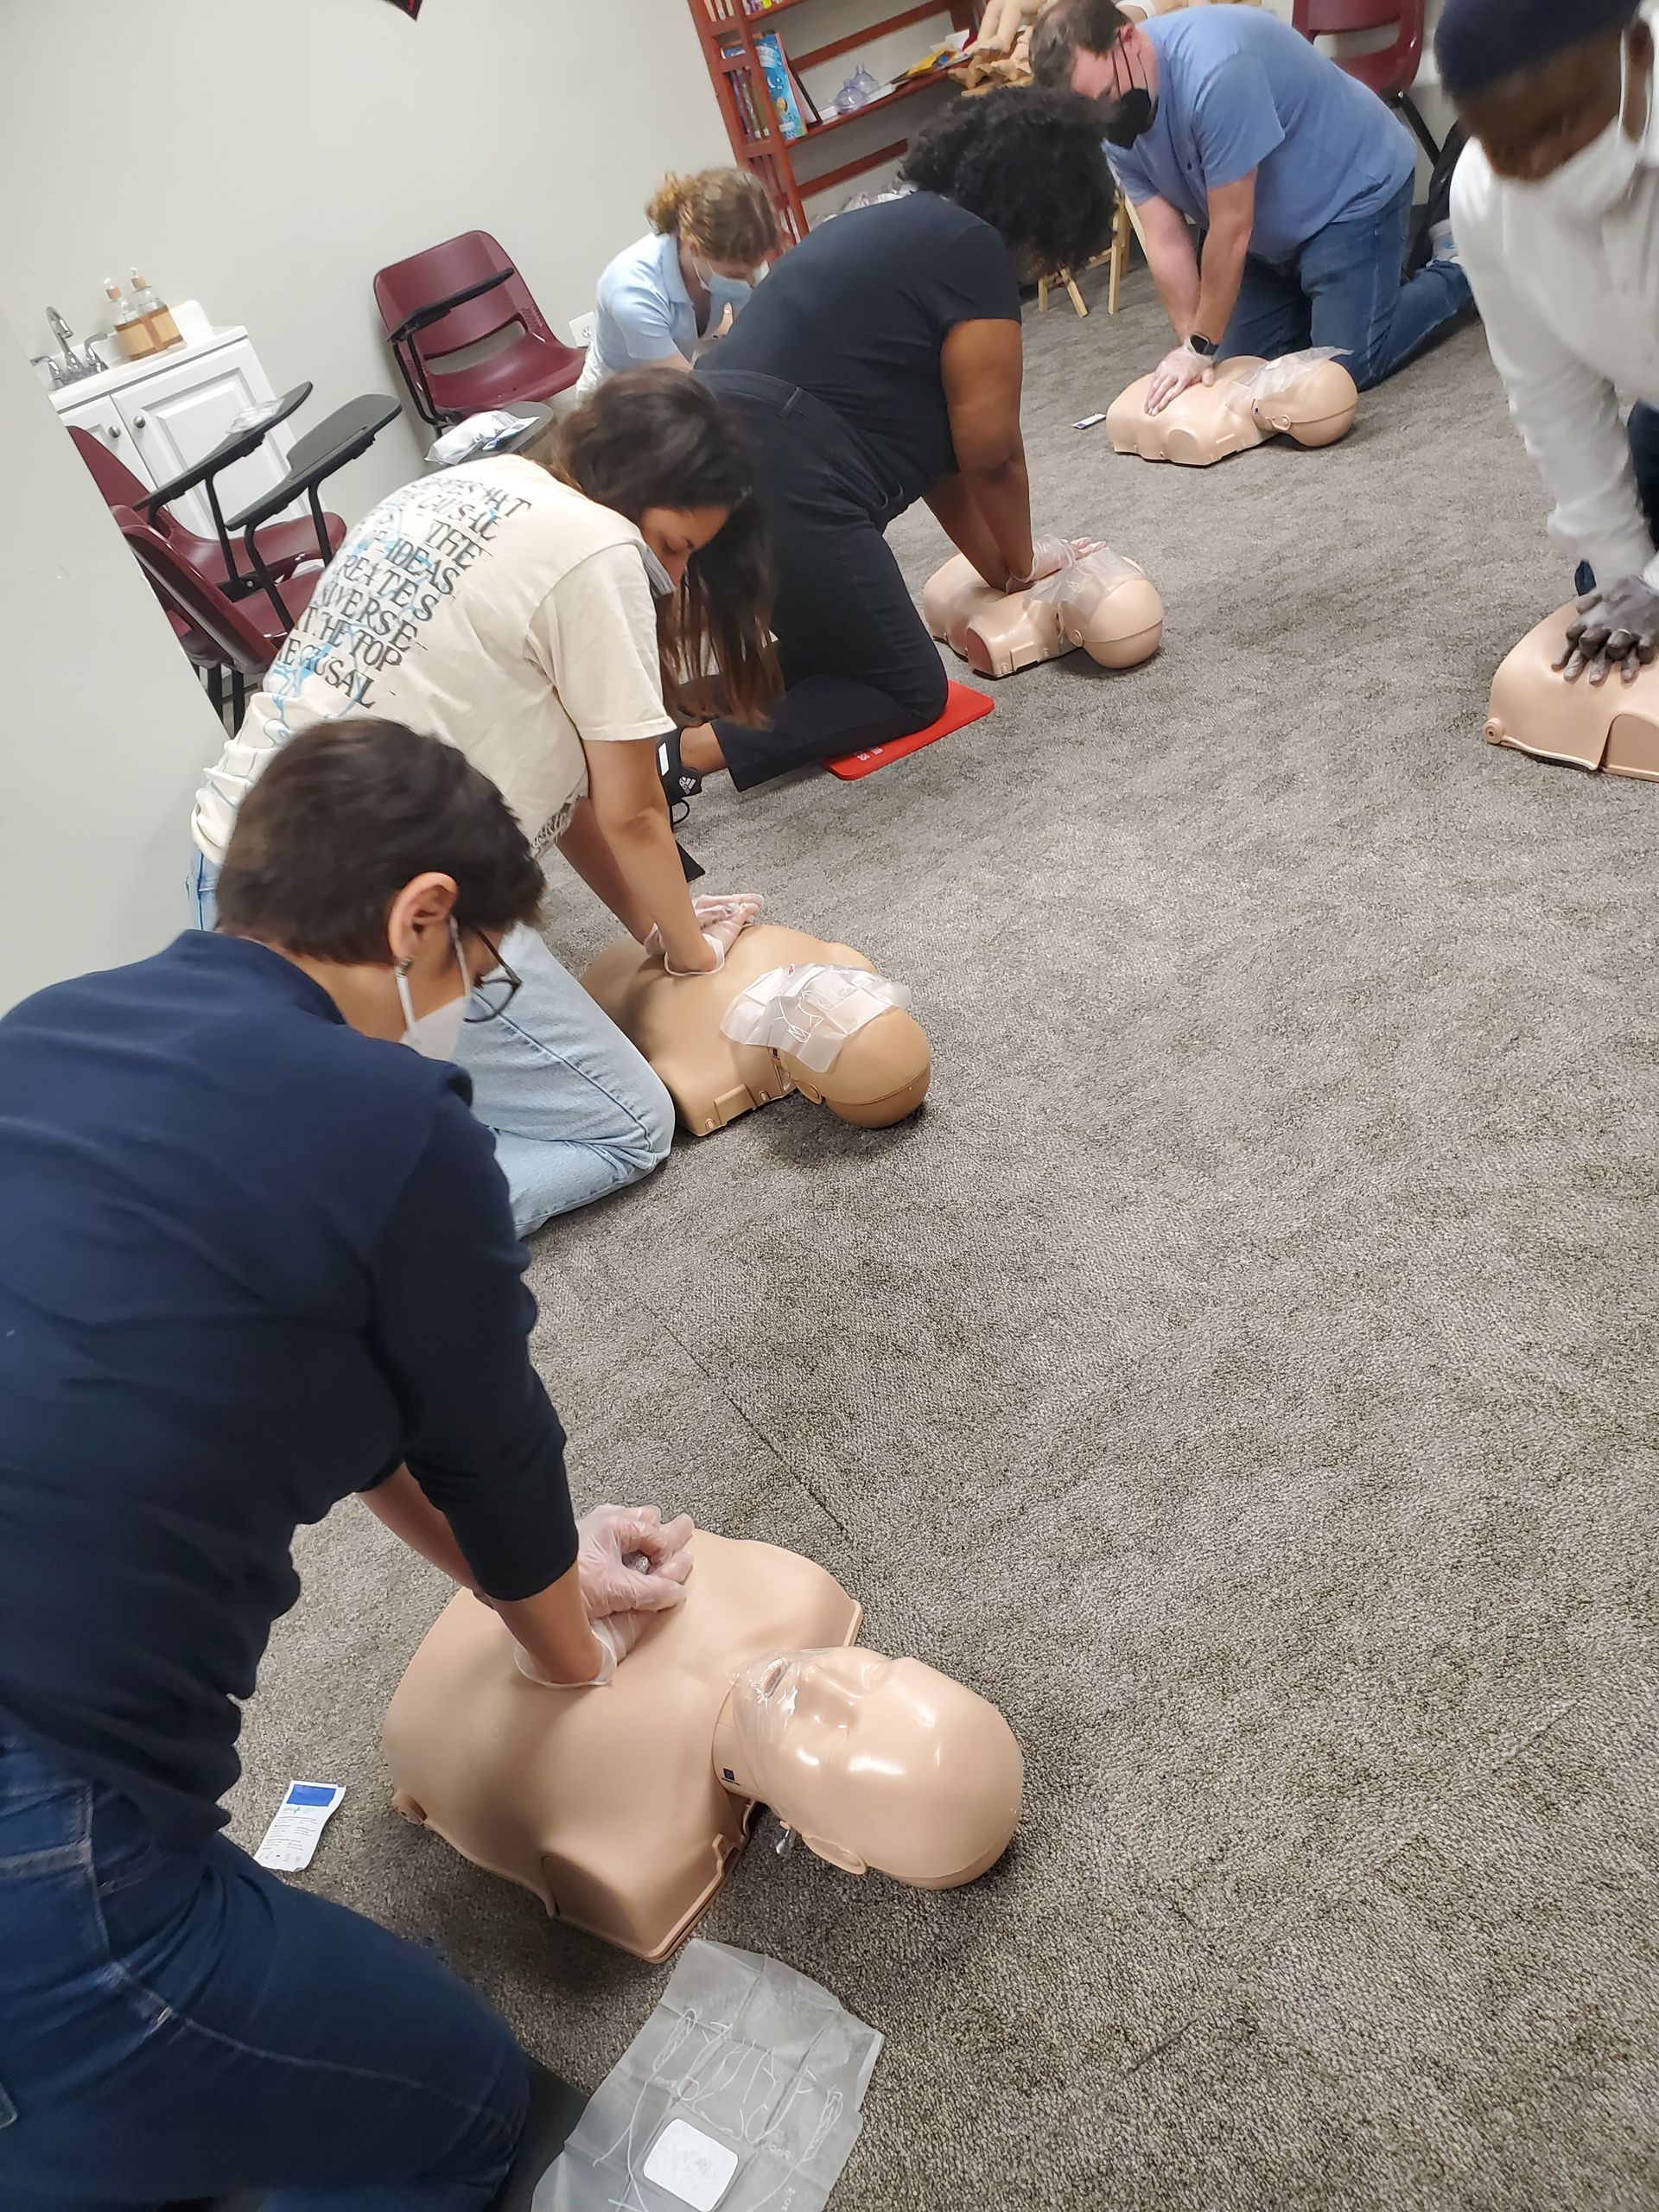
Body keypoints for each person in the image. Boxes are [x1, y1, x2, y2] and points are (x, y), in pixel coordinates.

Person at [0, 722, 696, 2209]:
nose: (462, 1008)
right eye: (476, 974)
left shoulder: (51, 1028)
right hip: (39, 1864)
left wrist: (542, 1575)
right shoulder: (390, 1121)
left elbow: (373, 1409)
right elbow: (494, 1451)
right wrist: (573, 1663)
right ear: (420, 919)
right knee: (456, 2105)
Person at [189, 371, 778, 1236]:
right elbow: (635, 812)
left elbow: (577, 796)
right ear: (629, 498)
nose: (676, 575)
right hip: (371, 916)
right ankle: (346, 1232)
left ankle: (325, 1131)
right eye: (676, 545)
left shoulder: (462, 484)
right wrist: (693, 956)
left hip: (226, 872)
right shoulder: (600, 548)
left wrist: (655, 926)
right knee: (627, 1125)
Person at [661, 87, 1116, 796]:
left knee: (840, 658)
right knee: (907, 688)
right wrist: (1029, 558)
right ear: (1054, 208)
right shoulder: (972, 251)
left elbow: (944, 462)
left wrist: (1004, 569)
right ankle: (681, 757)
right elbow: (991, 452)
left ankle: (687, 711)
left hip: (702, 441)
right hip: (777, 464)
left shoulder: (875, 224)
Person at [1030, 0, 1475, 410]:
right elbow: (1165, 240)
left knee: (1345, 367)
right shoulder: (1112, 113)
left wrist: (1201, 346)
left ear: (1127, 37)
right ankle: (1353, 292)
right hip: (1266, 238)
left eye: (1106, 95)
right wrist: (1195, 348)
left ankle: (1457, 266)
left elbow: (1231, 227)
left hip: (1351, 195)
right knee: (1239, 372)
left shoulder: (1215, 70)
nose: (1104, 114)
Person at [1438, 0, 1659, 686]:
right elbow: (1553, 399)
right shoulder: (1482, 196)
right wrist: (1630, 573)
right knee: (1608, 584)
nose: (1540, 163)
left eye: (1563, 121)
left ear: (1637, 53)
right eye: (1505, 145)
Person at [574, 168, 781, 398]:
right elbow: (689, 394)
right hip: (616, 394)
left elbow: (755, 338)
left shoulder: (730, 262)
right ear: (694, 248)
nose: (746, 282)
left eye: (753, 271)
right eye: (735, 275)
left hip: (676, 367)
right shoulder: (633, 291)